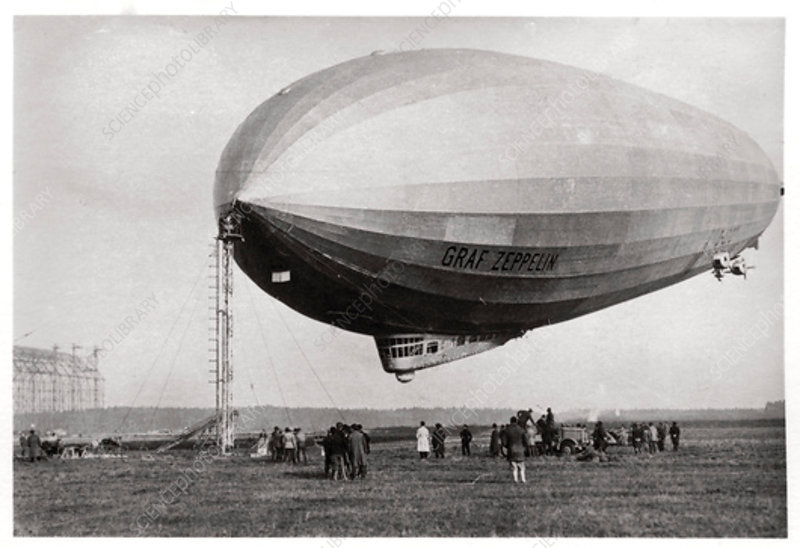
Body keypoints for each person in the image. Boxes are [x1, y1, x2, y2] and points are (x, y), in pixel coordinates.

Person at [501, 416, 529, 483]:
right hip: (520, 450)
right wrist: (524, 447)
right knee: (522, 467)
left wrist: (507, 446)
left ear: (510, 421)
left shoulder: (507, 430)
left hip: (511, 450)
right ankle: (523, 479)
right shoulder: (521, 430)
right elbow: (526, 441)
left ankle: (515, 479)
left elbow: (504, 442)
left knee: (513, 466)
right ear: (516, 421)